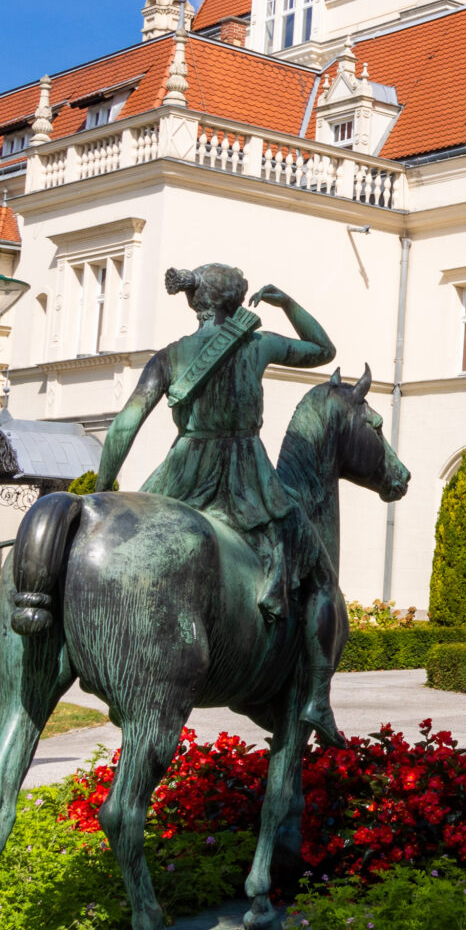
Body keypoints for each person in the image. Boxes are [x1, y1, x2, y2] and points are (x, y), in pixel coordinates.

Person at [94, 265, 336, 658]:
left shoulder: (168, 357)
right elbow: (324, 350)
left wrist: (102, 488)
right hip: (247, 474)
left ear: (196, 302)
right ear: (236, 300)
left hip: (182, 471)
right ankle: (309, 683)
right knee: (306, 553)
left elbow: (125, 424)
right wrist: (288, 304)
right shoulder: (257, 346)